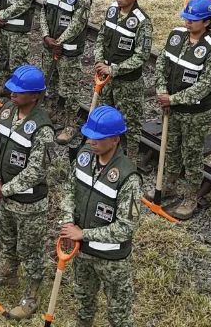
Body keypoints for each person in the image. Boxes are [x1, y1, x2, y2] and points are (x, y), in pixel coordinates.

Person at [0, 64, 57, 319]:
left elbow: (36, 171)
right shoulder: (7, 111)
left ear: (35, 96)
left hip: (29, 203)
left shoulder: (43, 129)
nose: (12, 94)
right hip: (4, 196)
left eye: (19, 91)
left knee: (31, 250)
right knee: (7, 239)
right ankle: (7, 270)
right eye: (12, 90)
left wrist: (5, 189)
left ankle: (31, 295)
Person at [61, 105, 142, 327]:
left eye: (98, 138)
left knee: (119, 313)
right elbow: (69, 189)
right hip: (83, 253)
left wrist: (82, 233)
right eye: (89, 136)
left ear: (115, 139)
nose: (91, 141)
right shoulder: (84, 156)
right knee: (83, 302)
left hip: (112, 260)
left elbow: (126, 228)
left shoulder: (129, 179)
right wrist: (68, 221)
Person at [154, 0, 211, 219]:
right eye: (186, 18)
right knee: (171, 148)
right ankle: (170, 185)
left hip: (196, 113)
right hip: (172, 107)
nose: (188, 22)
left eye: (193, 19)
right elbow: (161, 63)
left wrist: (172, 100)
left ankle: (191, 196)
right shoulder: (176, 36)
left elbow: (205, 86)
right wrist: (162, 90)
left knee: (191, 154)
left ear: (207, 22)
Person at [92, 0, 151, 162]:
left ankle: (130, 161)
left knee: (131, 125)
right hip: (106, 78)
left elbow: (141, 56)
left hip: (128, 85)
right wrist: (99, 60)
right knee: (104, 116)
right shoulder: (111, 11)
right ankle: (106, 153)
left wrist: (114, 69)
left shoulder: (142, 23)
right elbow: (101, 37)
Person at [40, 0, 94, 145]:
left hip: (69, 53)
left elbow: (77, 25)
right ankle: (51, 112)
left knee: (70, 91)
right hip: (50, 47)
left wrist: (59, 43)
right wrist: (46, 36)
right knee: (50, 84)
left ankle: (71, 125)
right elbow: (43, 13)